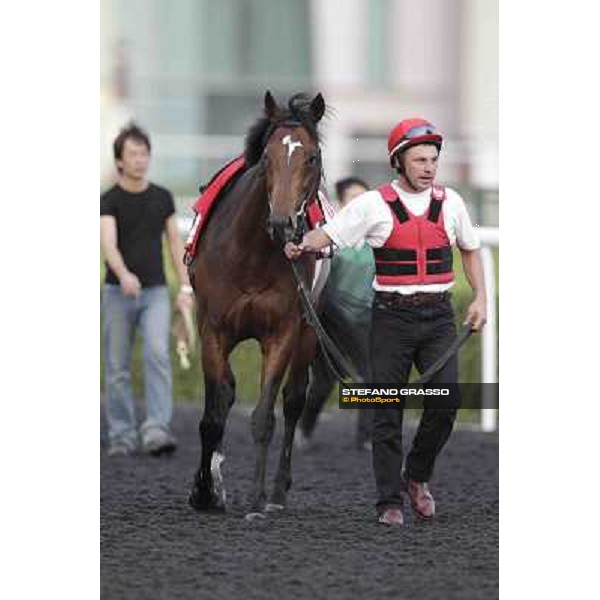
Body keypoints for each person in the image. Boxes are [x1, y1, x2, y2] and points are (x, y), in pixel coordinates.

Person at [285, 118, 487, 526]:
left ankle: (416, 475)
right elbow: (330, 234)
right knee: (384, 407)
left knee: (446, 402)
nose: (429, 167)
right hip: (391, 319)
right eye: (420, 160)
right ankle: (388, 501)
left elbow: (470, 249)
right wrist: (303, 244)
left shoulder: (452, 203)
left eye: (433, 159)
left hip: (438, 317)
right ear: (399, 161)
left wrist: (481, 296)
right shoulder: (373, 205)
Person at [100, 122, 194, 456]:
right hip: (116, 294)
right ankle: (122, 435)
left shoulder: (162, 197)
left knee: (157, 355)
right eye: (134, 154)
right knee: (117, 367)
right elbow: (108, 245)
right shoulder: (109, 201)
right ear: (120, 161)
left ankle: (156, 430)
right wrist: (123, 274)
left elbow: (175, 244)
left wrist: (184, 286)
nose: (141, 159)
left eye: (145, 153)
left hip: (155, 292)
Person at [298, 177, 375, 451]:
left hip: (367, 322)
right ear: (340, 204)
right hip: (331, 323)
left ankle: (366, 438)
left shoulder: (379, 238)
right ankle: (304, 429)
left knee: (371, 379)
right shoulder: (329, 240)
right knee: (325, 381)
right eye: (354, 198)